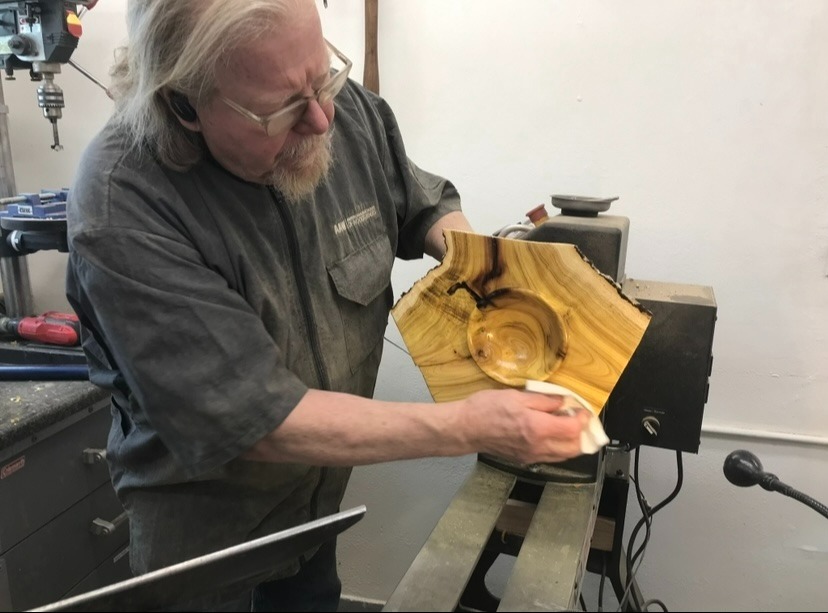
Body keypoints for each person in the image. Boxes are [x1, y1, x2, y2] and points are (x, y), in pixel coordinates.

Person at [64, 0, 592, 610]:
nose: (320, 120)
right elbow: (255, 419)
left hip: (314, 513)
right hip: (204, 542)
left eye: (323, 77)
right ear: (183, 104)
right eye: (283, 108)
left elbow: (421, 200)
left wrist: (482, 269)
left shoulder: (332, 109)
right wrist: (471, 425)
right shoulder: (122, 204)